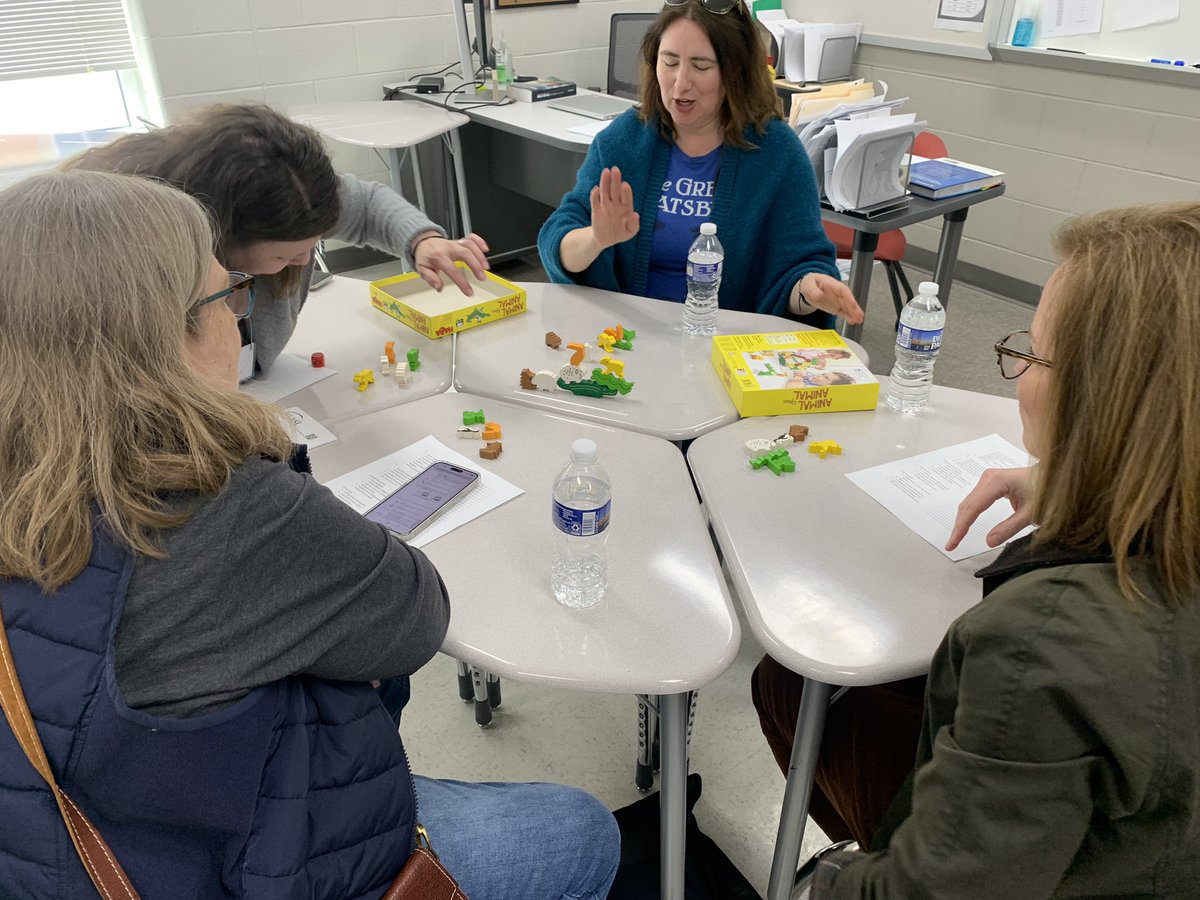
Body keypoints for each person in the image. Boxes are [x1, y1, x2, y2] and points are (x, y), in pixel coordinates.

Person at [0, 170, 620, 900]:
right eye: (224, 298)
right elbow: (413, 618)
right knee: (578, 829)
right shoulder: (220, 510)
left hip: (66, 837)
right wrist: (249, 445)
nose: (239, 323)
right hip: (220, 861)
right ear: (153, 342)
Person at [758, 202, 1200, 898]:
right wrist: (1078, 477)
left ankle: (860, 846)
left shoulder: (1044, 641)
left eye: (1032, 354)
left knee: (787, 682)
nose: (1020, 376)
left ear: (1100, 402)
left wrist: (836, 885)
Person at [64, 103, 491, 374]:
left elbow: (364, 204)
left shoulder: (292, 190)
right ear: (220, 239)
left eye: (314, 244)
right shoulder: (135, 255)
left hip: (257, 387)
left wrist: (421, 241)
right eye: (287, 256)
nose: (307, 262)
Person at [536, 0, 863, 328]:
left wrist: (810, 289)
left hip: (728, 348)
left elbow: (801, 266)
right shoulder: (624, 140)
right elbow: (557, 237)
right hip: (627, 341)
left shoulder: (777, 153)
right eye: (670, 61)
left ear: (734, 70)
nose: (680, 84)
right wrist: (596, 237)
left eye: (701, 66)